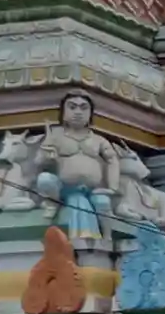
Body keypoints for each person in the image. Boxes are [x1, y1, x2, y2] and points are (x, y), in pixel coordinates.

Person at [33, 90, 122, 246]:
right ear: (63, 113)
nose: (78, 112)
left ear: (90, 114)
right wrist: (47, 157)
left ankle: (108, 239)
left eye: (83, 108)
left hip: (92, 189)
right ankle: (52, 203)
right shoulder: (55, 136)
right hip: (63, 189)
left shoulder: (98, 140)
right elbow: (38, 162)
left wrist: (112, 187)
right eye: (72, 107)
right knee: (45, 179)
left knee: (103, 202)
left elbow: (113, 160)